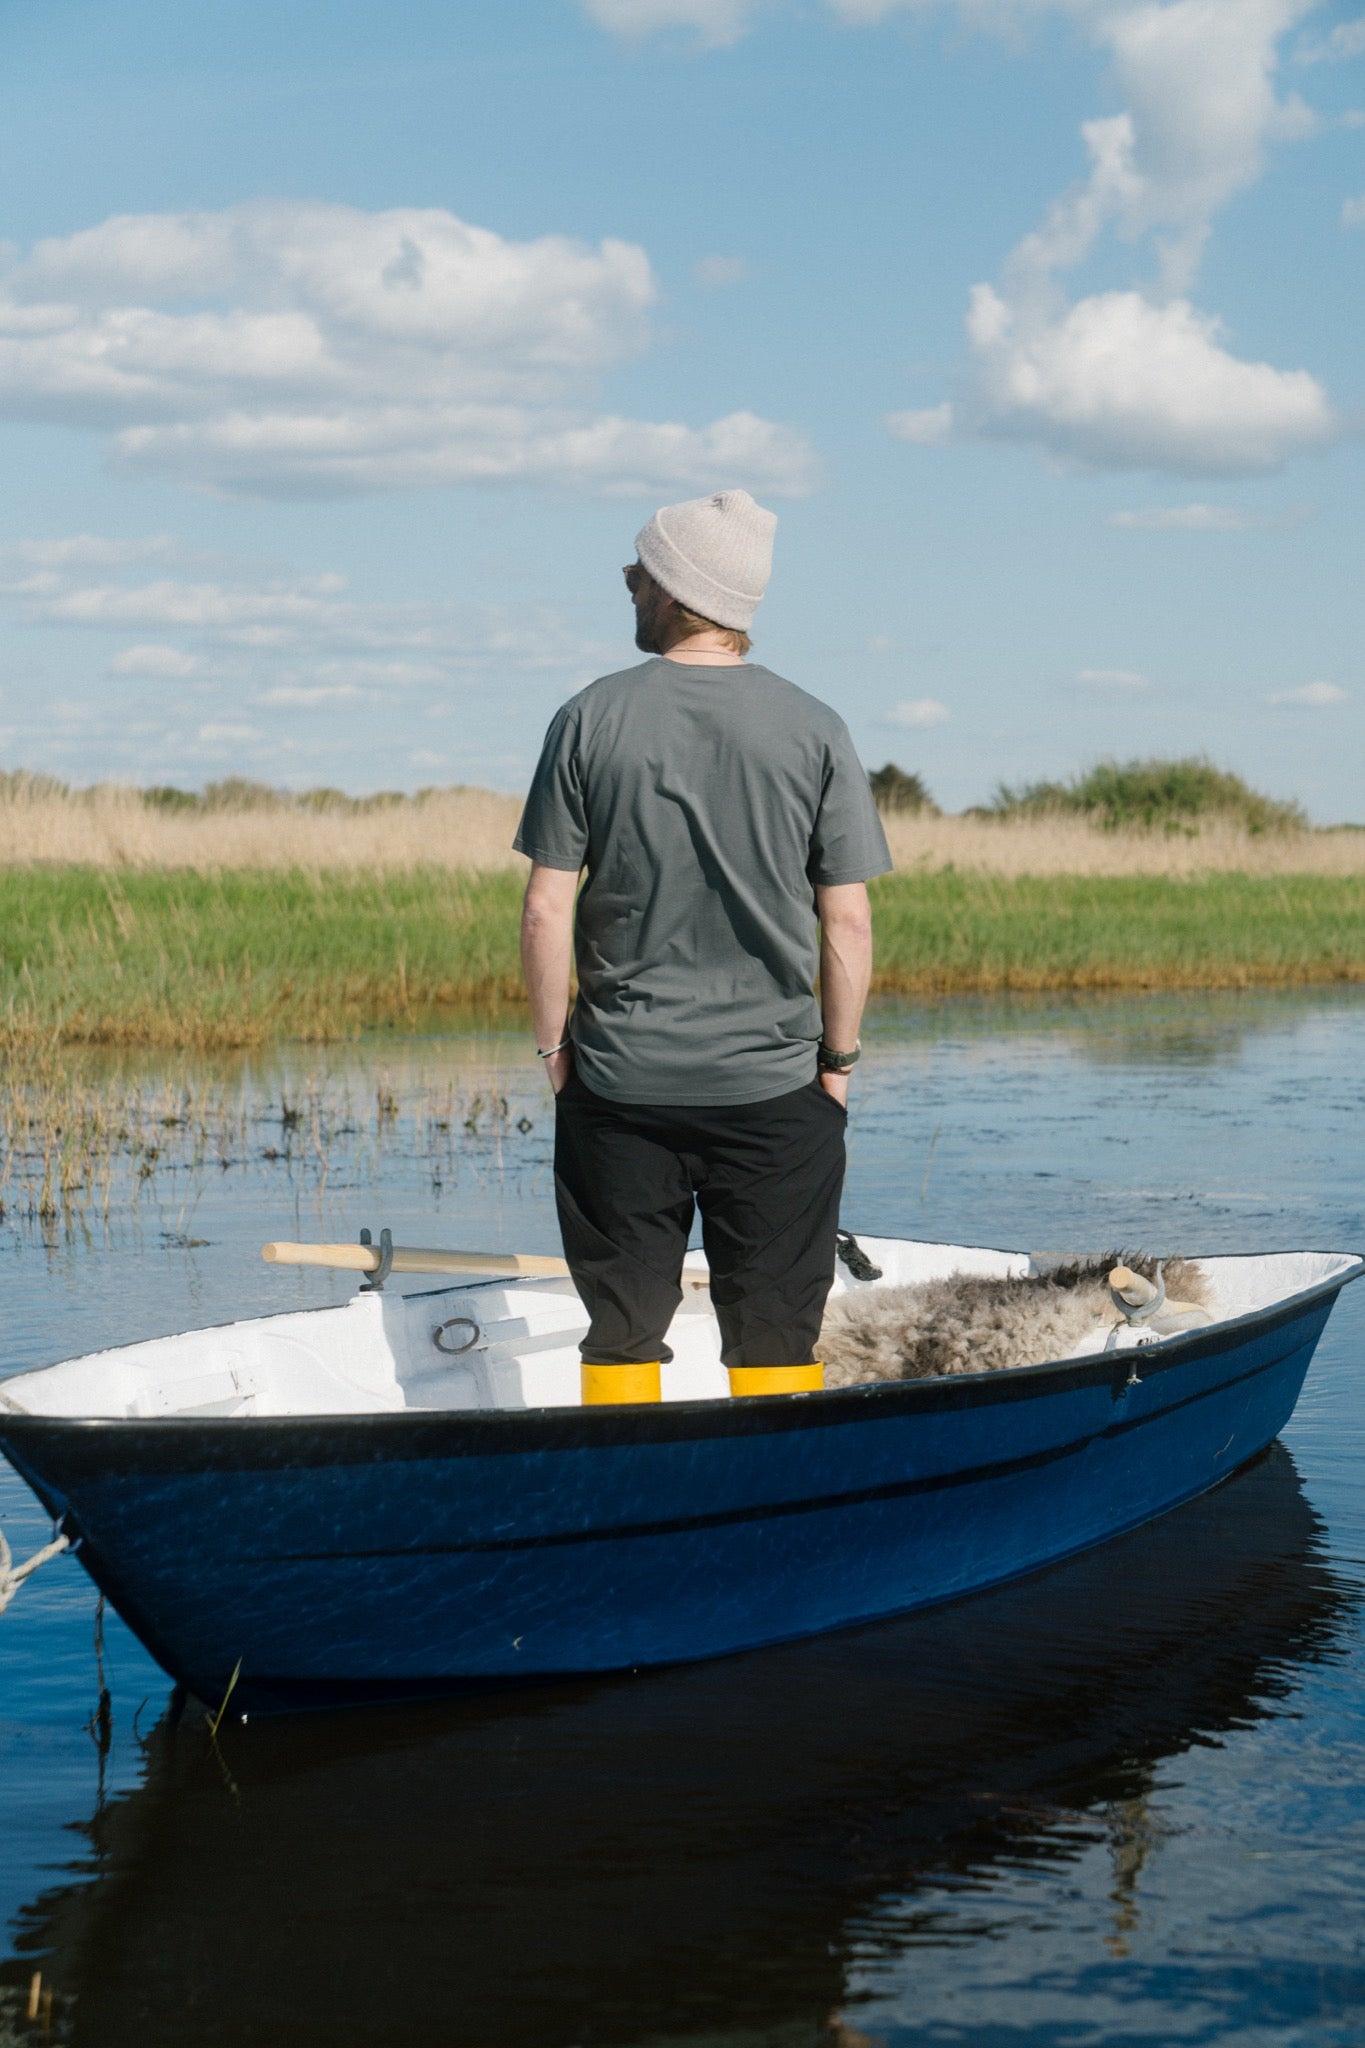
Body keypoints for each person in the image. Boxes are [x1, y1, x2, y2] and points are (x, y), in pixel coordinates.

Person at [514, 488, 891, 1405]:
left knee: (621, 1337)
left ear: (677, 590)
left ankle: (624, 1481)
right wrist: (835, 1066)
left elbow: (544, 911)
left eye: (639, 571)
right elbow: (845, 923)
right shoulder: (815, 727)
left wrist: (556, 1050)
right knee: (774, 1336)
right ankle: (770, 1485)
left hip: (618, 1087)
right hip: (774, 1091)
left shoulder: (588, 717)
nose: (628, 584)